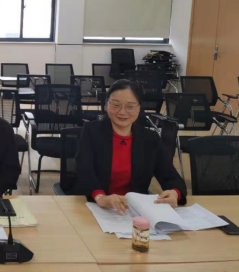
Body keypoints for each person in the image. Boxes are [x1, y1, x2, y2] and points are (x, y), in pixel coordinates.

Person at [74, 80, 187, 215]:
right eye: (116, 105)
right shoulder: (91, 131)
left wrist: (175, 193)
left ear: (139, 108)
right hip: (96, 207)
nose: (122, 112)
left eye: (130, 106)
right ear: (106, 105)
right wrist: (101, 197)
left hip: (134, 212)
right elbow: (84, 170)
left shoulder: (150, 139)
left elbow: (170, 176)